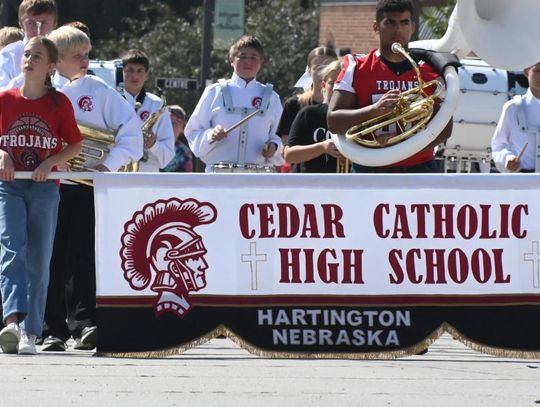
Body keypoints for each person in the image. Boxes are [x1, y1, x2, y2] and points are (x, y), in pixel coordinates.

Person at [40, 26, 142, 352]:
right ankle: (49, 328)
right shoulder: (40, 90)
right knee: (50, 257)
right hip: (47, 186)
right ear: (56, 61)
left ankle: (85, 323)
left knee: (84, 255)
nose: (85, 60)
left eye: (87, 54)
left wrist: (107, 165)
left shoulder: (98, 89)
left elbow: (131, 132)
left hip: (85, 185)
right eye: (77, 56)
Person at [0, 36, 82, 355]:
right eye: (26, 54)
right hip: (10, 185)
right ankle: (11, 323)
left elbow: (75, 143)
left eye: (37, 56)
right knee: (10, 250)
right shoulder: (4, 99)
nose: (29, 60)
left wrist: (51, 162)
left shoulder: (60, 103)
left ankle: (31, 333)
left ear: (50, 67)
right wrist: (2, 153)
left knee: (39, 258)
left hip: (45, 187)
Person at [327, 0, 452, 173]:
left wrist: (400, 146)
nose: (398, 30)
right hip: (370, 167)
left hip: (420, 167)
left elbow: (445, 128)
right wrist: (374, 110)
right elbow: (334, 121)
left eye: (404, 23)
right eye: (390, 23)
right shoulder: (357, 67)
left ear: (413, 27)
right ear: (376, 27)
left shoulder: (430, 71)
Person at [185, 35, 283, 172]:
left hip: (258, 179)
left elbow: (280, 137)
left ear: (261, 62)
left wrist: (274, 147)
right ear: (231, 60)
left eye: (253, 57)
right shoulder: (214, 92)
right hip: (219, 177)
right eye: (242, 57)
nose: (248, 62)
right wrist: (211, 135)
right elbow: (193, 131)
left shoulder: (272, 97)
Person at [284, 60, 345, 173]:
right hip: (311, 185)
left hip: (348, 185)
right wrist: (322, 147)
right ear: (323, 85)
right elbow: (289, 155)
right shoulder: (308, 114)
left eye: (342, 83)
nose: (337, 88)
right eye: (332, 83)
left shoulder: (357, 114)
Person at [121, 49, 174, 172]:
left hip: (147, 174)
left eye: (140, 71)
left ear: (147, 75)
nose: (135, 76)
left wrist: (153, 144)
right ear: (121, 72)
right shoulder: (111, 100)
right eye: (130, 70)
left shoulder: (157, 105)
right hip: (116, 172)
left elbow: (168, 157)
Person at [278, 46, 338, 146]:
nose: (323, 73)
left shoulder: (344, 106)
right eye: (318, 68)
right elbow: (287, 147)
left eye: (328, 68)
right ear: (309, 70)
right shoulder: (294, 105)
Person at [491, 62, 540, 173]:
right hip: (522, 181)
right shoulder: (512, 107)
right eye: (537, 71)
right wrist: (507, 158)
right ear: (527, 71)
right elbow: (498, 145)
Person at [0, 0, 57, 91]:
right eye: (31, 23)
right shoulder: (8, 56)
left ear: (54, 24)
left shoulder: (63, 53)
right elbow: (2, 93)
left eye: (44, 23)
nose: (38, 29)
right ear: (21, 24)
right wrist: (28, 73)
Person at [161, 105, 193, 172]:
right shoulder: (153, 144)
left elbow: (187, 176)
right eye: (168, 123)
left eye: (174, 124)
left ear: (183, 127)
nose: (171, 127)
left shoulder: (185, 151)